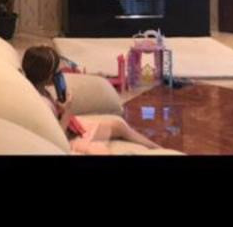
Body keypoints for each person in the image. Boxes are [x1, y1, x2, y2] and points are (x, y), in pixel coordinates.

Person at [20, 45, 165, 154]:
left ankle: (158, 149)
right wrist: (67, 111)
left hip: (73, 129)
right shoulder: (41, 103)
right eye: (56, 72)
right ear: (47, 76)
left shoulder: (43, 90)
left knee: (118, 125)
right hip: (68, 139)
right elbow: (58, 136)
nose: (60, 74)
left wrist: (62, 108)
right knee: (99, 151)